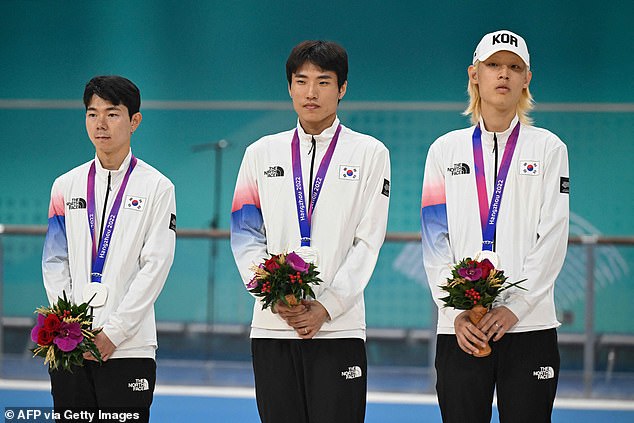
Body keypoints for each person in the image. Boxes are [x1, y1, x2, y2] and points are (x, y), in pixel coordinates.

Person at [231, 40, 390, 423]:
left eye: (323, 81)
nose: (311, 92)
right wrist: (272, 295)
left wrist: (326, 307)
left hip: (339, 328)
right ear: (289, 87)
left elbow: (368, 241)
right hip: (273, 326)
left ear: (342, 88)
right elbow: (245, 234)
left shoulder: (370, 153)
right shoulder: (260, 153)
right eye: (301, 81)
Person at [420, 30, 569, 422]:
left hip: (530, 326)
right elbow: (435, 240)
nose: (503, 74)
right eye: (493, 65)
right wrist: (455, 311)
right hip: (462, 328)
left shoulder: (549, 149)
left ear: (526, 79)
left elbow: (553, 237)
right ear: (474, 74)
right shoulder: (444, 150)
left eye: (514, 67)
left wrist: (515, 308)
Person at [42, 75, 176, 422]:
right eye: (92, 113)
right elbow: (55, 260)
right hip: (71, 347)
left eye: (112, 114)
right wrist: (69, 326)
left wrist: (114, 332)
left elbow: (156, 266)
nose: (100, 124)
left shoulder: (158, 187)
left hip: (130, 347)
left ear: (134, 121)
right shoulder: (65, 185)